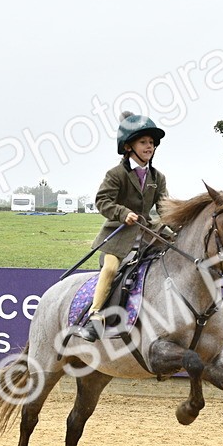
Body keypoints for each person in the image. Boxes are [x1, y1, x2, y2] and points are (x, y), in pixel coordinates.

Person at [77, 112, 169, 341]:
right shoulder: (116, 174)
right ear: (129, 146)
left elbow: (164, 208)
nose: (150, 147)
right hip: (117, 236)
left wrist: (176, 224)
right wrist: (123, 213)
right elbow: (103, 201)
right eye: (144, 142)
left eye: (152, 143)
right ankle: (95, 317)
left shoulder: (158, 177)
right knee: (109, 269)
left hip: (147, 233)